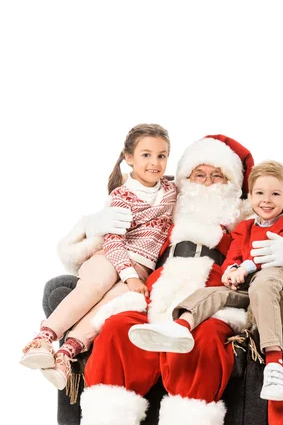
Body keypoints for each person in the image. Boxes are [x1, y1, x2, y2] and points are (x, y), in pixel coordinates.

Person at [56, 135, 283, 425]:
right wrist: (92, 223)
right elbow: (97, 245)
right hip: (158, 291)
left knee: (203, 342)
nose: (205, 182)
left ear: (234, 185)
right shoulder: (166, 204)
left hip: (217, 297)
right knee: (118, 330)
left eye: (216, 175)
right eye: (198, 174)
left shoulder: (253, 213)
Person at [129, 160, 283, 402]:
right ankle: (180, 327)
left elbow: (275, 251)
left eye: (275, 194)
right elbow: (233, 256)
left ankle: (274, 364)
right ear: (250, 197)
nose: (267, 200)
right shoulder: (245, 228)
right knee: (215, 293)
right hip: (249, 287)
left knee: (263, 282)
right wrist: (231, 271)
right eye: (260, 193)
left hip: (278, 278)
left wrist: (247, 267)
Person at [20, 123, 176, 390]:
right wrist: (127, 275)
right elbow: (113, 240)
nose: (155, 162)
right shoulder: (122, 195)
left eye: (161, 156)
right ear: (129, 158)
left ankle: (66, 354)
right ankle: (43, 338)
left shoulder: (171, 191)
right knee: (95, 285)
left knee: (113, 305)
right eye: (146, 155)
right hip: (111, 256)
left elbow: (209, 184)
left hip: (140, 267)